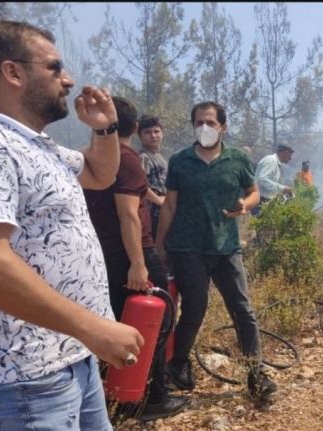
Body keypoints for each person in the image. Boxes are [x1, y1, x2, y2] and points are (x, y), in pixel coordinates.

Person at [0, 20, 143, 430]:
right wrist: (91, 328)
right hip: (26, 378)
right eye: (54, 67)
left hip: (71, 359)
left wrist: (104, 128)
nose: (69, 79)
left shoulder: (37, 145)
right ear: (12, 72)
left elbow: (99, 173)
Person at [155, 101, 277, 404]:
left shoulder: (237, 159)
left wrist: (245, 205)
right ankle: (178, 364)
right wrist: (159, 245)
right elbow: (169, 205)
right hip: (187, 247)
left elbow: (254, 192)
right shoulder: (180, 160)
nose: (204, 128)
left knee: (242, 309)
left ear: (223, 126)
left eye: (210, 122)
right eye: (198, 122)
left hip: (226, 247)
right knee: (194, 308)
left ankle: (255, 374)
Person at [83, 97, 189, 422]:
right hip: (132, 254)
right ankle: (151, 399)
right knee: (154, 323)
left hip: (104, 255)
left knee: (119, 323)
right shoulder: (126, 159)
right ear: (135, 127)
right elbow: (128, 215)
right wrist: (138, 263)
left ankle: (119, 397)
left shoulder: (89, 159)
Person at [137, 114, 168, 242]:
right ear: (139, 135)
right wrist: (159, 200)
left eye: (156, 131)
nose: (153, 135)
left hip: (163, 212)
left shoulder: (159, 156)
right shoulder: (143, 157)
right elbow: (140, 185)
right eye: (147, 132)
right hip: (152, 213)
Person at [251, 144, 295, 216]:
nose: (290, 158)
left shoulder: (275, 162)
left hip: (263, 199)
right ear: (285, 153)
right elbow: (262, 179)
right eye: (290, 154)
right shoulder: (271, 160)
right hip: (260, 200)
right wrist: (282, 188)